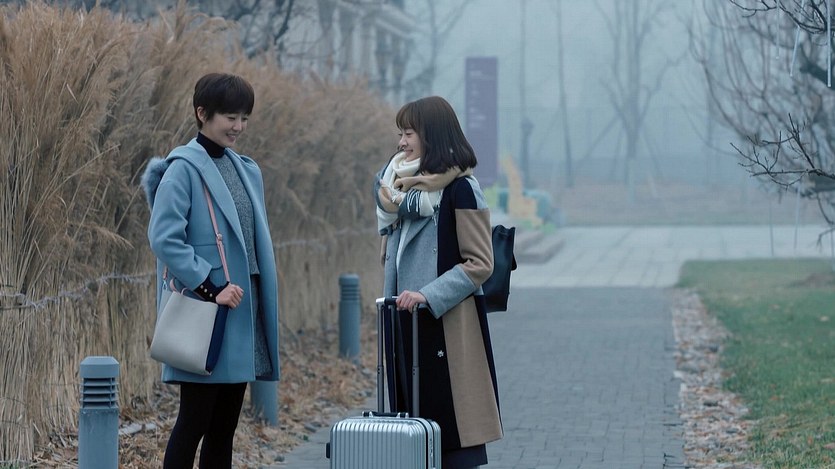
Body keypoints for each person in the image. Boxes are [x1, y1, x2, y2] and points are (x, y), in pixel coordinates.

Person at [141, 72, 280, 469]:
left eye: (244, 118)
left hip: (243, 314)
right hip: (207, 314)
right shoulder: (182, 169)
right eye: (230, 117)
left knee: (224, 429)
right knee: (193, 423)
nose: (238, 126)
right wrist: (210, 285)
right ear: (202, 113)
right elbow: (164, 238)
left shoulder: (245, 169)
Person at [373, 96, 503, 468]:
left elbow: (480, 263)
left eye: (409, 133)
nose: (401, 142)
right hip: (405, 322)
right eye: (400, 133)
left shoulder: (462, 189)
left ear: (432, 135)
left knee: (451, 438)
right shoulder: (399, 192)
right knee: (414, 437)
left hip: (446, 325)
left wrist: (428, 295)